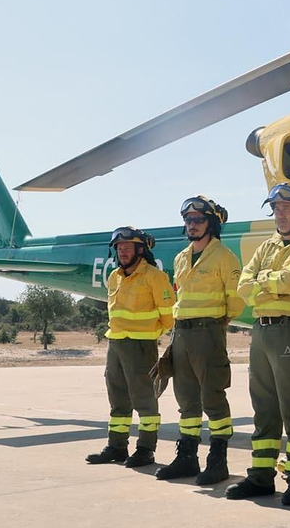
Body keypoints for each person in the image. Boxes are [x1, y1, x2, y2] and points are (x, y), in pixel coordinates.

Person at [227, 184, 290, 505]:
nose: (279, 214)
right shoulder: (267, 246)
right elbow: (243, 286)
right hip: (262, 330)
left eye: (285, 208)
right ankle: (260, 476)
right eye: (276, 209)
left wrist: (263, 284)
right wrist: (273, 283)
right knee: (264, 406)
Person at [156, 196, 244, 485]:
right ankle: (187, 457)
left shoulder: (224, 257)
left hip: (208, 332)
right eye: (188, 220)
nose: (191, 225)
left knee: (213, 398)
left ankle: (218, 461)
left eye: (198, 220)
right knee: (186, 399)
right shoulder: (181, 257)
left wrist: (219, 322)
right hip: (181, 333)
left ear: (212, 223)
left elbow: (236, 298)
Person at [87, 226, 174, 468]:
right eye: (119, 248)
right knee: (118, 399)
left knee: (145, 400)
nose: (123, 252)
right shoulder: (114, 276)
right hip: (115, 343)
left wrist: (148, 335)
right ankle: (117, 446)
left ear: (140, 250)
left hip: (141, 346)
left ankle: (146, 449)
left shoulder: (155, 277)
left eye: (127, 247)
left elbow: (169, 317)